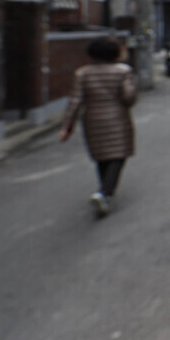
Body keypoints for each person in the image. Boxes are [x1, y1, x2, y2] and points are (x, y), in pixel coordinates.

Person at [60, 37, 137, 218]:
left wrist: (67, 125)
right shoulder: (123, 71)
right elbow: (128, 98)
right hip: (117, 118)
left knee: (102, 156)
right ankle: (104, 193)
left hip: (92, 118)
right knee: (117, 156)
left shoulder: (82, 73)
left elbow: (76, 100)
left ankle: (104, 191)